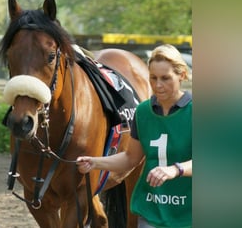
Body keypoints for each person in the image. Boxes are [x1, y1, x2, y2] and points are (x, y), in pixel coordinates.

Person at [76, 44, 192, 228]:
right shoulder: (143, 112)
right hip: (150, 210)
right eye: (153, 78)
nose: (158, 85)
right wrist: (95, 162)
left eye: (165, 78)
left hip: (188, 215)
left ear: (182, 75)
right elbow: (131, 158)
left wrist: (174, 170)